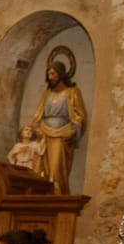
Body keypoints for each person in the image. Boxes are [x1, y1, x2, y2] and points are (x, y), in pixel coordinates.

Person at [30, 61, 88, 194]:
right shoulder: (46, 93)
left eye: (53, 73)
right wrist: (36, 128)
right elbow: (38, 114)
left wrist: (74, 131)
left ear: (61, 74)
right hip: (44, 134)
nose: (50, 77)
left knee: (56, 170)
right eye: (48, 74)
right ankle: (42, 196)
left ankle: (57, 195)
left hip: (61, 136)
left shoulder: (72, 92)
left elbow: (80, 115)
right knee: (40, 170)